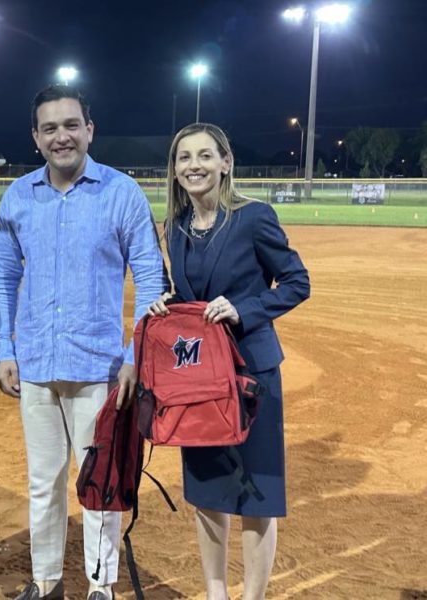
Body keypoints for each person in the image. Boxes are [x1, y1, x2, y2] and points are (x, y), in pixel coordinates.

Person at [0, 84, 168, 600]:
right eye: (50, 128)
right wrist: (5, 348)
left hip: (101, 367)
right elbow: (2, 276)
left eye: (71, 125)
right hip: (38, 364)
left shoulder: (121, 192)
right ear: (36, 138)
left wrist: (136, 355)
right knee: (44, 483)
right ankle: (46, 583)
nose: (61, 136)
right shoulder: (19, 195)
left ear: (90, 129)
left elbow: (151, 281)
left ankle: (100, 586)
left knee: (100, 484)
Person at [148, 123, 310, 600]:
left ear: (225, 163)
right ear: (175, 170)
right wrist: (167, 304)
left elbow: (297, 282)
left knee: (257, 494)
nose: (192, 165)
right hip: (198, 377)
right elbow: (188, 297)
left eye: (203, 155)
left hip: (251, 373)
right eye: (183, 158)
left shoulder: (254, 217)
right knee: (208, 492)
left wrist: (245, 309)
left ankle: (253, 595)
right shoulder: (174, 227)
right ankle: (216, 593)